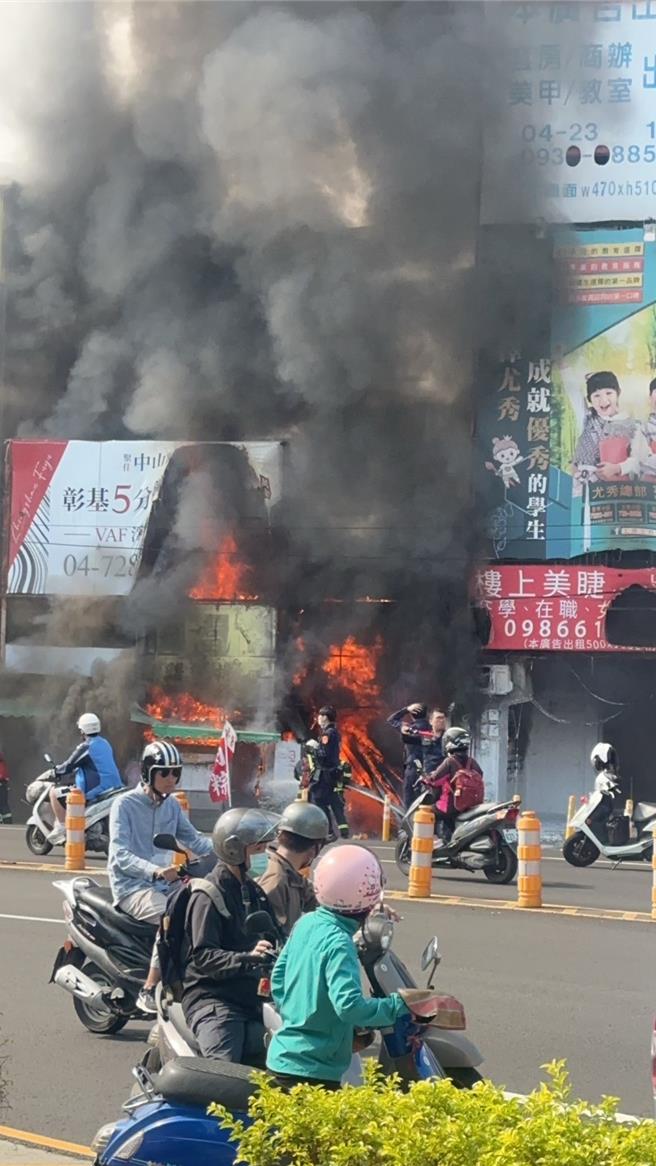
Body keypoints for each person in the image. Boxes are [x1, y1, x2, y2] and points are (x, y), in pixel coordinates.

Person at [266, 844, 416, 1090]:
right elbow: (349, 1007)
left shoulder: (307, 922)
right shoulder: (340, 942)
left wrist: (305, 1016)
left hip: (282, 1057)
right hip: (313, 1073)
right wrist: (399, 1006)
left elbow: (279, 981)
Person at [108, 739, 214, 1014]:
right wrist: (154, 870)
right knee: (171, 918)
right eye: (164, 773)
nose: (171, 779)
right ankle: (148, 987)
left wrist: (234, 849)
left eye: (175, 773)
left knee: (201, 909)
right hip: (132, 886)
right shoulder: (125, 805)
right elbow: (120, 855)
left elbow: (195, 840)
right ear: (147, 772)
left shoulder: (172, 807)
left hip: (166, 884)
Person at [181, 806, 282, 1063]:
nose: (266, 856)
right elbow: (204, 956)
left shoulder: (253, 891)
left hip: (254, 998)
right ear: (235, 850)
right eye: (259, 849)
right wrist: (246, 957)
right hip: (215, 1000)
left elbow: (275, 934)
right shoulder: (208, 895)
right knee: (224, 1074)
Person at [257, 801, 330, 935]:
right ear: (314, 849)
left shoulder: (289, 873)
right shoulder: (276, 880)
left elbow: (317, 901)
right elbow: (269, 937)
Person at [48, 713, 124, 840]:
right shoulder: (105, 743)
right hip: (115, 786)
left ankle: (62, 828)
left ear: (82, 730)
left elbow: (69, 765)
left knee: (54, 793)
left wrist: (55, 771)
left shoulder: (86, 747)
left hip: (97, 789)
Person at [573, 371, 648, 486]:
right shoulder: (587, 418)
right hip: (583, 487)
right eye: (596, 395)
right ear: (589, 399)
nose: (603, 400)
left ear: (618, 393)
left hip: (616, 489)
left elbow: (641, 459)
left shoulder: (634, 426)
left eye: (609, 393)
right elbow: (573, 393)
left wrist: (618, 468)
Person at [424, 726, 483, 843]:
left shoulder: (450, 761)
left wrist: (426, 778)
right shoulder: (472, 761)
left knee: (427, 812)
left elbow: (434, 779)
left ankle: (432, 841)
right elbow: (480, 775)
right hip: (469, 805)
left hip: (451, 805)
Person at [306, 706, 350, 839]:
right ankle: (339, 831)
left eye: (320, 715)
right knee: (332, 801)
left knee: (319, 801)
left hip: (324, 775)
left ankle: (329, 832)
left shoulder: (327, 734)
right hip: (331, 774)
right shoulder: (334, 732)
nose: (318, 718)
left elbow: (323, 754)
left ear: (325, 717)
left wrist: (314, 747)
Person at [387, 702, 431, 808]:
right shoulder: (431, 729)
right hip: (430, 769)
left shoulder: (409, 730)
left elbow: (391, 720)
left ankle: (410, 823)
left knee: (410, 801)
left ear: (412, 714)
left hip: (413, 769)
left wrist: (406, 709)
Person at [422, 708, 446, 773]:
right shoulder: (425, 737)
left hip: (446, 775)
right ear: (431, 721)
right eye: (438, 718)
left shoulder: (449, 737)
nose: (441, 720)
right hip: (430, 775)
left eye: (443, 718)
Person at [0, 752, 11, 824]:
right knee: (3, 804)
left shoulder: (1, 764)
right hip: (3, 785)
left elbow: (2, 776)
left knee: (3, 804)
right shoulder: (2, 764)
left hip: (2, 785)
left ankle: (6, 821)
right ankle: (7, 821)